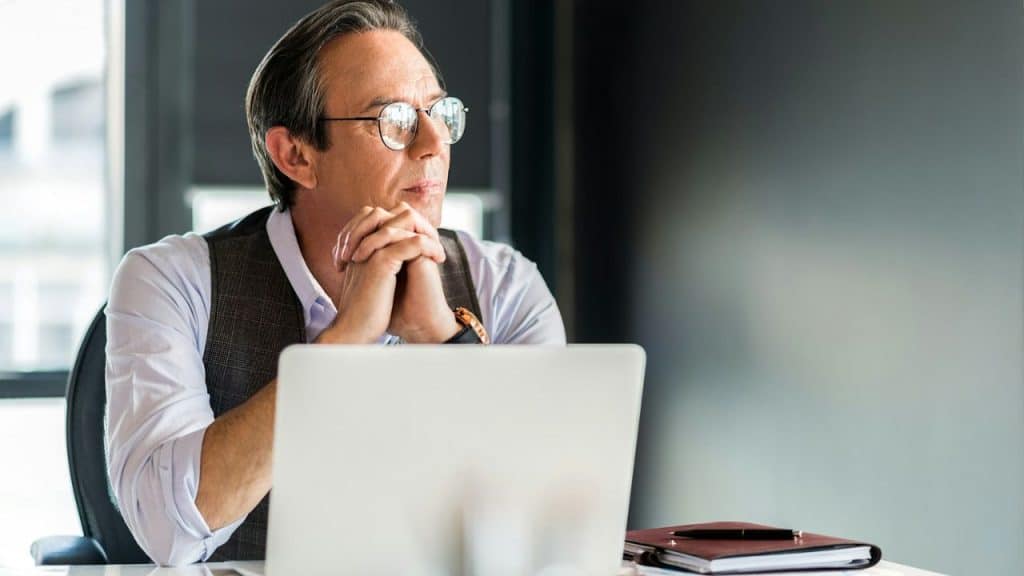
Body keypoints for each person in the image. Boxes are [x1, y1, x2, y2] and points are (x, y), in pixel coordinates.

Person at [104, 0, 565, 565]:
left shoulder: (507, 286)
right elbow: (166, 533)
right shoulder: (170, 281)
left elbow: (550, 529)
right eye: (393, 120)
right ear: (295, 155)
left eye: (439, 114)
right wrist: (343, 343)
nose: (433, 144)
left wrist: (442, 337)